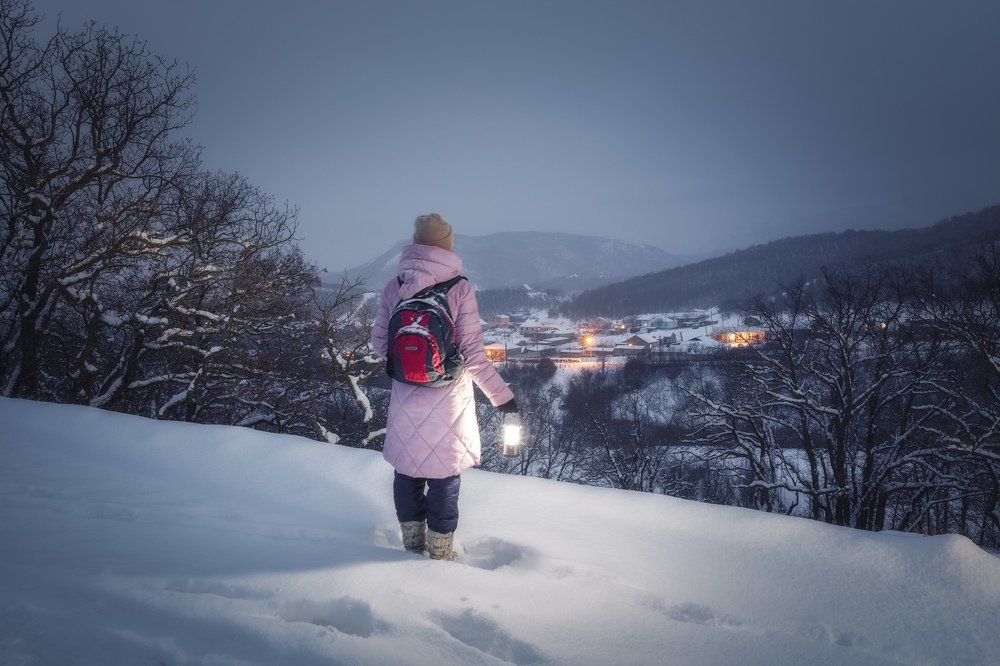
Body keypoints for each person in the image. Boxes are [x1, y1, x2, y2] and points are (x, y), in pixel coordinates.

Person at [372, 213, 517, 561]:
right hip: (449, 401)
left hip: (405, 398)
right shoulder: (459, 288)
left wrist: (410, 359)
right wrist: (504, 400)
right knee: (444, 477)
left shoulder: (395, 285)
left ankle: (411, 546)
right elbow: (474, 356)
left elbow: (379, 346)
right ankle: (440, 551)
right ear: (446, 247)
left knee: (407, 472)